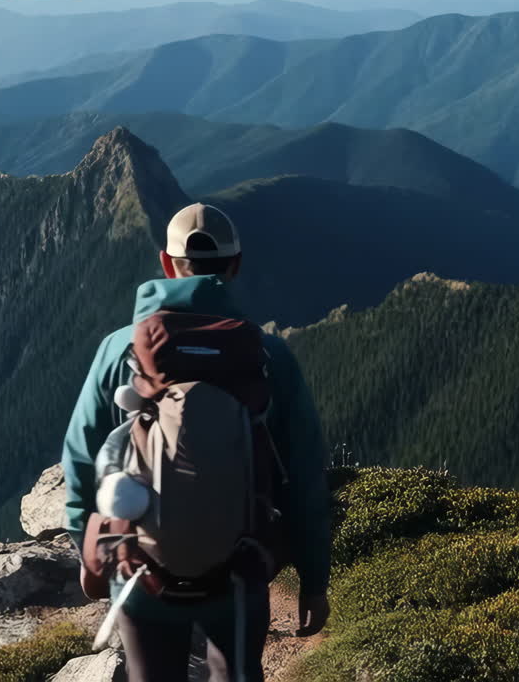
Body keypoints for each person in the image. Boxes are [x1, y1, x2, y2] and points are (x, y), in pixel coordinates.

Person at [61, 203, 331, 682]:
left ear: (166, 263)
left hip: (142, 568)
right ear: (236, 264)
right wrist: (313, 581)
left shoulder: (119, 349)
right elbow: (305, 473)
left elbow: (82, 455)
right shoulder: (267, 355)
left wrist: (89, 549)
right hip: (240, 569)